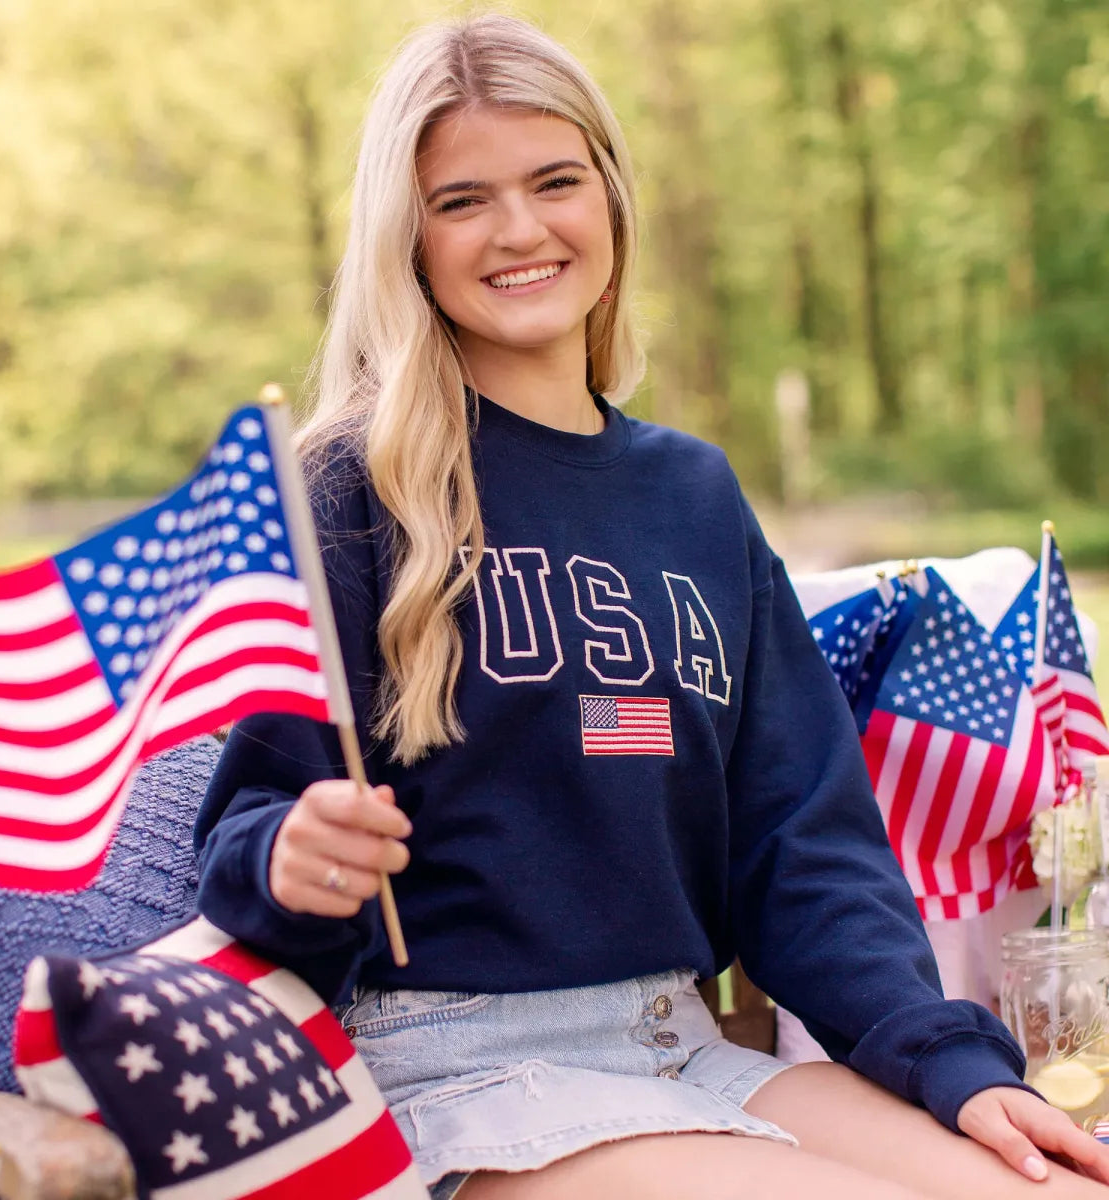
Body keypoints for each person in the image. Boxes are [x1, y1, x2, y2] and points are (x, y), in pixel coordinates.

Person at [193, 15, 1109, 1199]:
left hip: (683, 1046)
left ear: (612, 201)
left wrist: (955, 1067)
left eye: (554, 182)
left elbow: (804, 844)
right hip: (453, 1068)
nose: (519, 230)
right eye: (462, 200)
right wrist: (294, 858)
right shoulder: (349, 488)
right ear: (404, 238)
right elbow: (245, 829)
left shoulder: (695, 492)